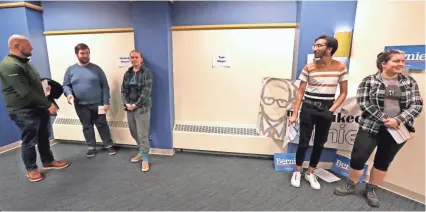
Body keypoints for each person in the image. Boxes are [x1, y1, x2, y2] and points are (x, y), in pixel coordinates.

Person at [334, 50, 423, 207]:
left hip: (397, 131)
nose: (401, 64)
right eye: (396, 61)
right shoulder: (369, 81)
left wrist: (398, 120)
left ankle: (371, 189)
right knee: (357, 158)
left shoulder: (409, 82)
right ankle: (352, 183)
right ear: (384, 64)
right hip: (370, 128)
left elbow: (416, 105)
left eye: (402, 61)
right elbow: (364, 103)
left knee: (383, 162)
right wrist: (385, 119)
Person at [0, 34, 69, 182]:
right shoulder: (9, 65)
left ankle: (48, 161)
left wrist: (46, 87)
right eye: (28, 45)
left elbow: (35, 84)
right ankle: (31, 169)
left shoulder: (26, 63)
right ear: (17, 46)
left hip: (38, 106)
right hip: (23, 110)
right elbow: (25, 92)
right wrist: (48, 104)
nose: (31, 47)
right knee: (29, 140)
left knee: (44, 135)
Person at [289, 35, 348, 189]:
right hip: (308, 107)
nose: (315, 48)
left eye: (319, 45)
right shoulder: (309, 67)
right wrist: (295, 113)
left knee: (320, 143)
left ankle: (310, 172)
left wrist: (331, 110)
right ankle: (297, 171)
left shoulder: (340, 67)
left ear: (329, 49)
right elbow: (300, 92)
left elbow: (343, 93)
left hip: (326, 108)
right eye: (314, 45)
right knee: (303, 141)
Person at [63, 43, 116, 158]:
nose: (85, 55)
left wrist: (106, 102)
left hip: (98, 104)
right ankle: (91, 147)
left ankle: (108, 145)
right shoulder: (71, 70)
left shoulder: (97, 69)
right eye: (82, 53)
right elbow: (66, 85)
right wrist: (68, 94)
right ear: (77, 54)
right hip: (81, 105)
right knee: (87, 126)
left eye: (87, 53)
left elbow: (105, 86)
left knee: (102, 124)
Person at [121, 50, 153, 172]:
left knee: (142, 134)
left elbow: (146, 92)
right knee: (133, 132)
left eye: (136, 57)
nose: (134, 59)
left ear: (141, 59)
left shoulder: (147, 73)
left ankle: (145, 158)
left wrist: (136, 104)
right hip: (129, 108)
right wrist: (126, 103)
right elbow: (123, 90)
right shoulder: (127, 73)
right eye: (132, 57)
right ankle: (141, 151)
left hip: (142, 108)